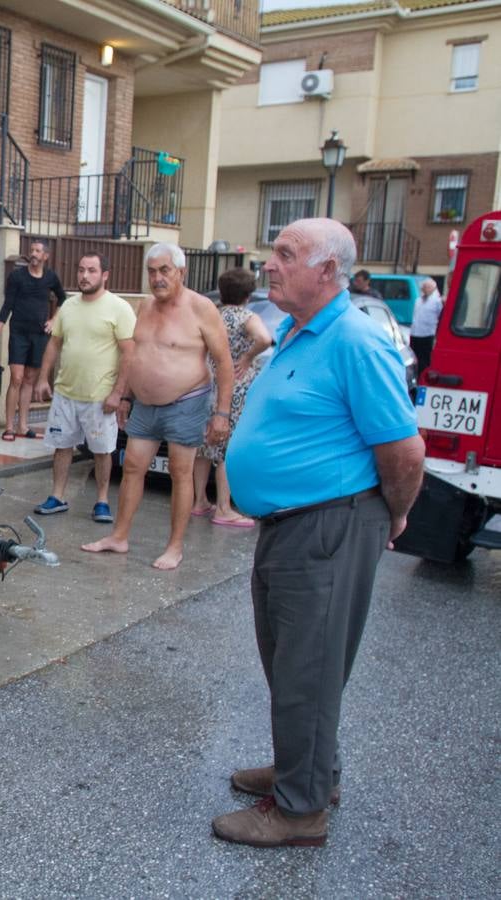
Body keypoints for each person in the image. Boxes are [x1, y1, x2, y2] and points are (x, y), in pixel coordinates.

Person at [215, 218, 424, 848]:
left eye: (286, 254)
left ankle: (301, 811)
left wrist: (393, 515)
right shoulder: (296, 332)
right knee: (292, 659)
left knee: (308, 663)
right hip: (291, 524)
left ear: (328, 270)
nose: (269, 264)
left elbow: (404, 452)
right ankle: (308, 768)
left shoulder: (356, 341)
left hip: (329, 525)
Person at [81, 243, 233, 570]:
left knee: (181, 473)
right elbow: (135, 354)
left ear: (181, 272)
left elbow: (224, 362)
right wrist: (124, 394)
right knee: (133, 467)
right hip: (145, 405)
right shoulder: (146, 306)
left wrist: (222, 414)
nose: (157, 278)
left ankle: (175, 546)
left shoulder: (202, 308)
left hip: (187, 402)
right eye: (152, 271)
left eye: (164, 270)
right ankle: (119, 537)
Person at [31, 252, 136, 523]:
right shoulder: (68, 306)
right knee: (62, 446)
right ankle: (57, 496)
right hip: (66, 393)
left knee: (102, 450)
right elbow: (54, 343)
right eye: (81, 270)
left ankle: (101, 501)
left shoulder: (119, 308)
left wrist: (118, 393)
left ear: (104, 275)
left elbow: (129, 353)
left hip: (100, 397)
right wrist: (43, 378)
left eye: (91, 270)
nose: (84, 276)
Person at [191, 268, 272, 529]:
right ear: (248, 295)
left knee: (204, 446)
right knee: (227, 447)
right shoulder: (245, 317)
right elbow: (264, 339)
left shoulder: (213, 314)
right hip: (234, 389)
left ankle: (199, 500)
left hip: (207, 383)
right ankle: (224, 507)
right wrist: (247, 358)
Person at [0, 240, 66, 441]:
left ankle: (23, 426)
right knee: (17, 378)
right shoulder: (17, 276)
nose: (34, 254)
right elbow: (7, 306)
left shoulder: (50, 277)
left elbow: (63, 299)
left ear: (45, 256)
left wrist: (53, 320)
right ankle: (9, 427)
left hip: (39, 335)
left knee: (30, 379)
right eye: (32, 250)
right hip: (19, 333)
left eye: (38, 251)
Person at [409, 277, 442, 369]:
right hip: (415, 333)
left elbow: (440, 317)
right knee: (415, 357)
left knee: (425, 359)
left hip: (428, 334)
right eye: (423, 287)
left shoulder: (437, 301)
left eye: (427, 287)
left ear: (433, 289)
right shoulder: (418, 300)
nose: (424, 289)